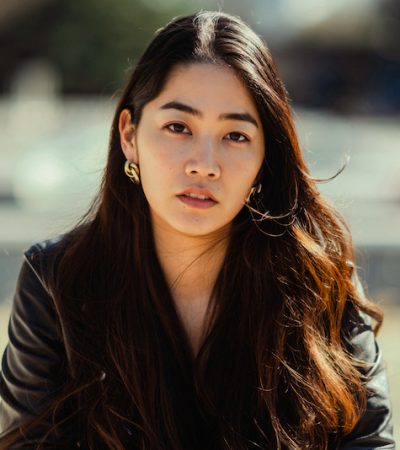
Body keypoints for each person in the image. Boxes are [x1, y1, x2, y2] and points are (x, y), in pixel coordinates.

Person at [0, 10, 394, 450]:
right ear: (129, 135)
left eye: (236, 136)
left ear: (267, 154)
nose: (204, 164)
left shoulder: (320, 280)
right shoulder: (57, 281)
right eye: (177, 127)